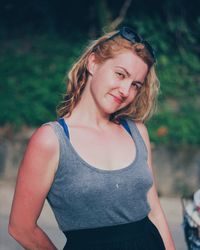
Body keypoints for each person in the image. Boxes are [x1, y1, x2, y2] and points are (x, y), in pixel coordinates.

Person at [9, 26, 175, 250]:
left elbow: (154, 210)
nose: (126, 90)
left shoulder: (136, 131)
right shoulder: (52, 140)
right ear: (93, 63)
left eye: (135, 84)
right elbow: (21, 228)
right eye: (120, 74)